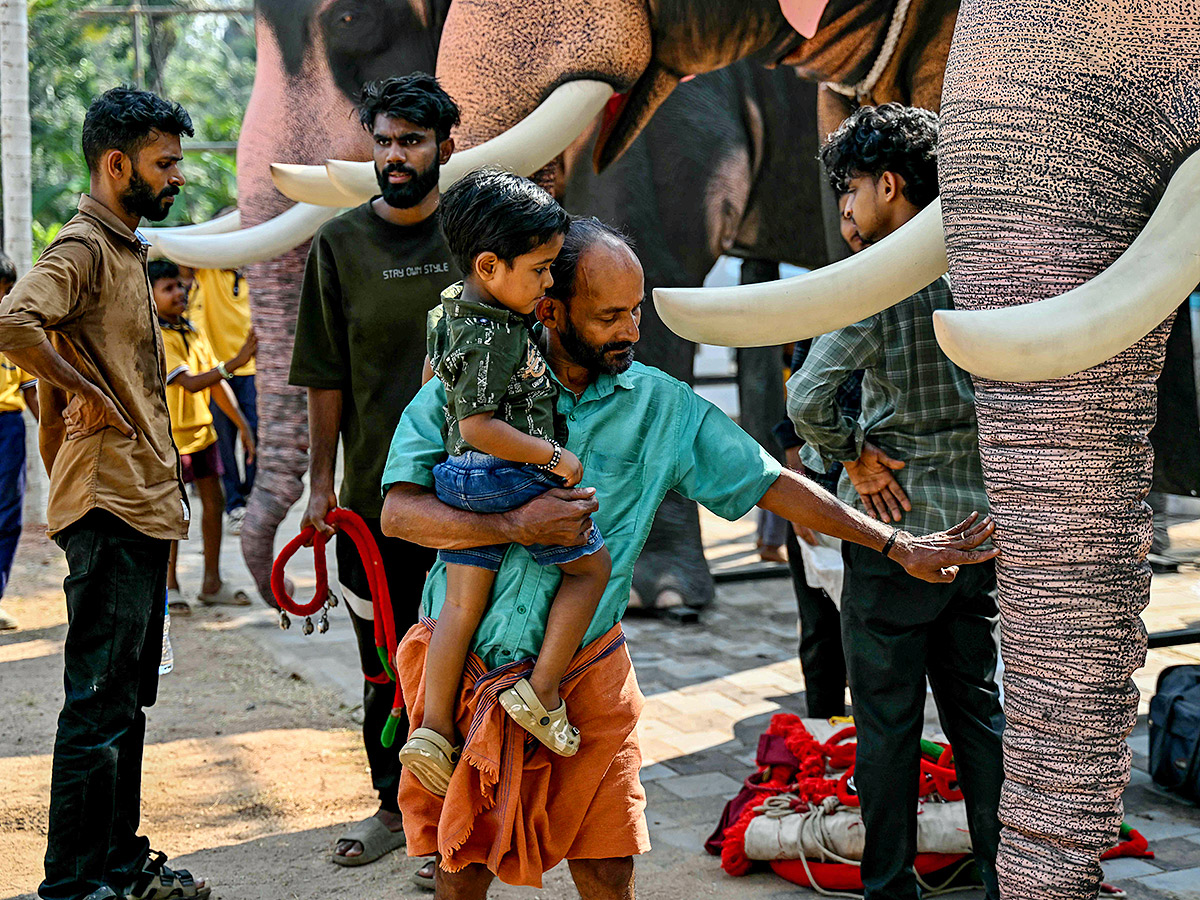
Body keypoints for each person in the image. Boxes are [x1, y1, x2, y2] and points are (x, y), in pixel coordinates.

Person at [380, 216, 998, 899]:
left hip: (585, 675)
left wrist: (892, 542)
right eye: (611, 315)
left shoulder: (661, 407)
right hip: (464, 667)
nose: (632, 331)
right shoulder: (471, 382)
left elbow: (769, 481)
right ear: (550, 310)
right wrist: (515, 522)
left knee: (610, 867)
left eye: (636, 310)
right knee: (463, 869)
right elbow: (399, 513)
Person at [787, 103, 1004, 900]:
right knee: (979, 712)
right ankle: (1002, 876)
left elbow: (810, 396)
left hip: (895, 534)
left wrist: (852, 455)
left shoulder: (873, 286)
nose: (844, 206)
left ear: (890, 184)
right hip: (979, 526)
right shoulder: (985, 270)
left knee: (887, 726)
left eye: (851, 188)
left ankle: (889, 888)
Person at [0, 86, 211, 900]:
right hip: (108, 505)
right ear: (116, 163)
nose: (179, 176)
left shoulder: (126, 250)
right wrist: (74, 382)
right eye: (166, 162)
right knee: (97, 706)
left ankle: (118, 867)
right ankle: (71, 885)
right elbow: (15, 323)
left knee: (125, 704)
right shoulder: (85, 247)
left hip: (142, 504)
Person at [289, 72, 463, 867]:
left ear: (443, 148)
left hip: (472, 497)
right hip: (376, 503)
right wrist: (320, 485)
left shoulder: (474, 234)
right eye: (384, 141)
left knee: (468, 659)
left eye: (411, 142)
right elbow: (324, 374)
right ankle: (395, 811)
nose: (394, 156)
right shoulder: (339, 244)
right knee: (385, 663)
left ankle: (461, 822)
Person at [399, 171, 611, 796]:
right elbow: (479, 424)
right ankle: (541, 692)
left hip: (459, 476)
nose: (550, 283)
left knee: (462, 607)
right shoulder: (496, 332)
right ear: (490, 265)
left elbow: (432, 381)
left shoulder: (450, 306)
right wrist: (553, 459)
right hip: (500, 474)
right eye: (542, 269)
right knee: (591, 569)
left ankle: (434, 731)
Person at [771, 192, 865, 718]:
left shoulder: (932, 292)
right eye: (842, 196)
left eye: (861, 191)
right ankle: (827, 739)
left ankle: (871, 744)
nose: (848, 211)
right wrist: (797, 490)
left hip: (885, 492)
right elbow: (798, 402)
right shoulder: (827, 292)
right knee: (822, 631)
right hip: (823, 483)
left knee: (871, 637)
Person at [150, 258, 256, 612]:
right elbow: (193, 383)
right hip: (169, 439)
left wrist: (242, 425)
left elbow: (215, 383)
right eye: (168, 288)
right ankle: (171, 585)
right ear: (148, 297)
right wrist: (237, 361)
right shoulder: (157, 337)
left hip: (202, 434)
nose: (179, 292)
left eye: (179, 285)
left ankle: (212, 582)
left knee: (214, 505)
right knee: (174, 511)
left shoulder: (192, 330)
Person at [186, 257, 257, 533]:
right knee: (224, 438)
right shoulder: (210, 270)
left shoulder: (256, 270)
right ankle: (234, 504)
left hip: (251, 369)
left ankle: (250, 496)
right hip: (218, 370)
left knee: (254, 433)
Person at [0, 251, 37, 632]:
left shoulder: (14, 328)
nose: (3, 299)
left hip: (8, 427)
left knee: (7, 515)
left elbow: (31, 390)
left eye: (8, 291)